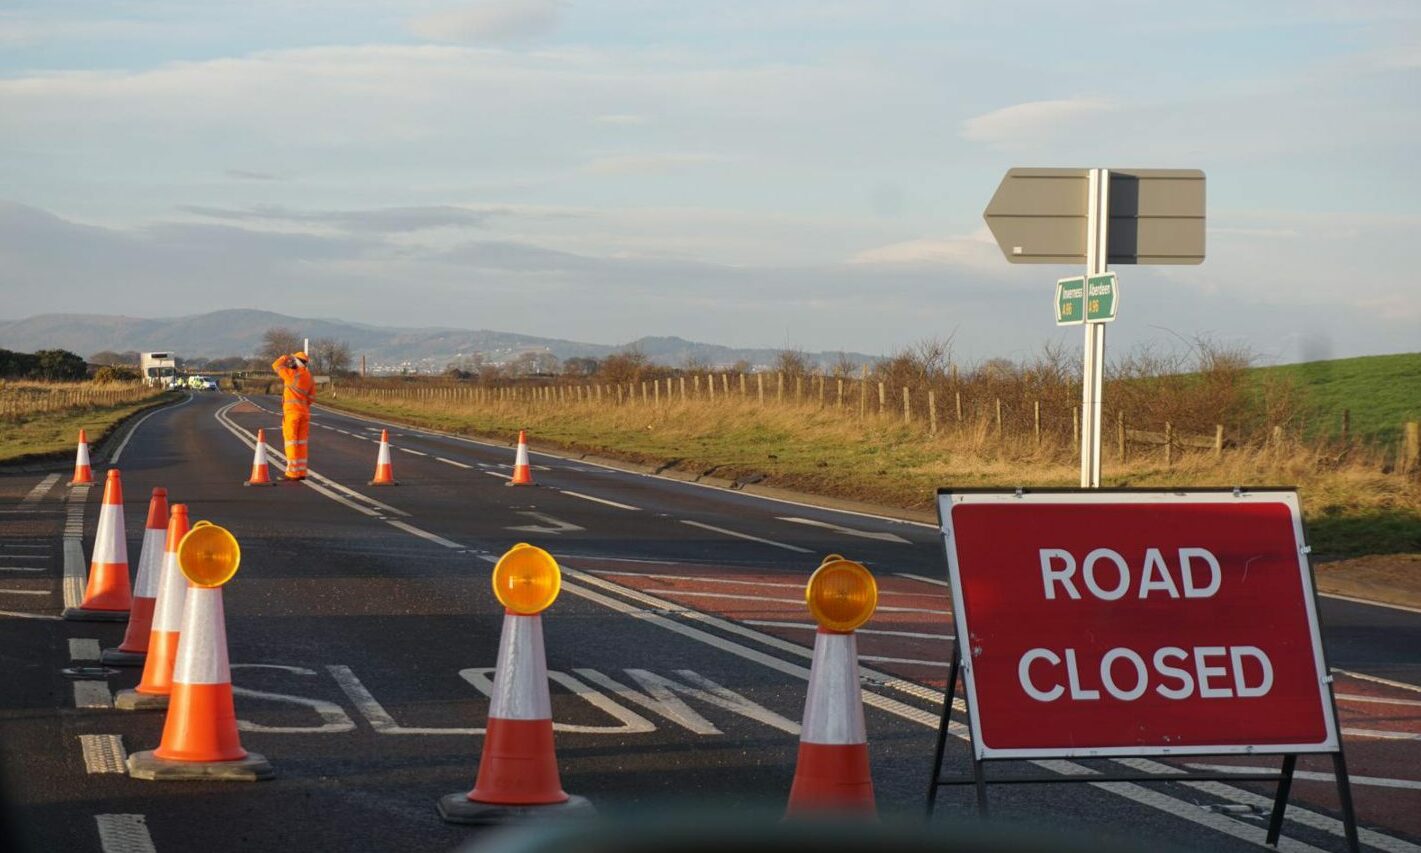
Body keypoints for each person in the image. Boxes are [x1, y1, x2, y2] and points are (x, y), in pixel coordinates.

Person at [271, 351, 316, 480]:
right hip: (304, 413)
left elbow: (276, 365)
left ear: (297, 361)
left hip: (292, 414)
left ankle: (292, 472)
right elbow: (312, 398)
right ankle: (302, 472)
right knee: (301, 443)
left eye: (293, 360)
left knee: (291, 443)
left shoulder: (292, 375)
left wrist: (286, 357)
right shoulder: (309, 377)